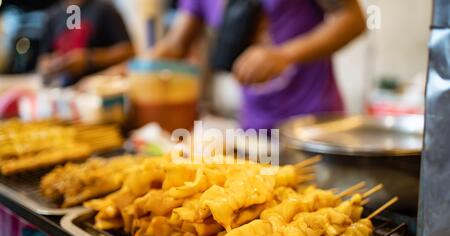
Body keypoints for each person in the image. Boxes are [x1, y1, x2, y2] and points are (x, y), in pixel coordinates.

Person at [149, 0, 366, 130]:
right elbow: (175, 44)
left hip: (313, 123)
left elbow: (353, 19)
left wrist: (285, 55)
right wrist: (138, 68)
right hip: (254, 130)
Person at [37, 0, 135, 86]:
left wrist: (89, 60)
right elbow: (43, 61)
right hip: (65, 93)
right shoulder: (53, 16)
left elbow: (128, 51)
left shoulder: (104, 9)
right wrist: (52, 65)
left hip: (99, 90)